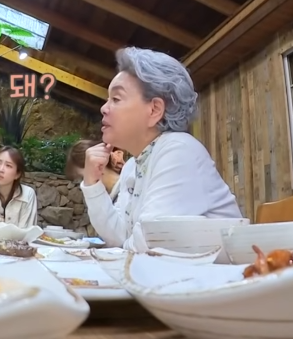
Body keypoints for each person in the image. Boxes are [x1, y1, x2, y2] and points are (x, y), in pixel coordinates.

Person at [81, 47, 242, 251]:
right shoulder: (133, 165)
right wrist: (92, 184)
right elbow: (120, 237)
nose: (104, 108)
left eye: (116, 99)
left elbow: (146, 244)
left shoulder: (179, 151)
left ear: (155, 110)